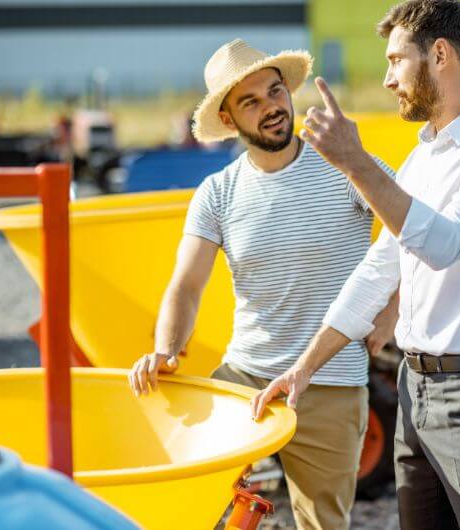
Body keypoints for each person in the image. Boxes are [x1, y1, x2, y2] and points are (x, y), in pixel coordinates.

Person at [253, 1, 460, 528]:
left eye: (395, 60)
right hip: (416, 391)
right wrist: (304, 367)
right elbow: (378, 269)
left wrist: (355, 162)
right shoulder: (424, 157)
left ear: (440, 55)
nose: (388, 79)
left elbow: (444, 243)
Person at [127, 39, 397, 530]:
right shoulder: (217, 192)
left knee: (323, 525)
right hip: (244, 381)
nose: (271, 107)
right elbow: (186, 285)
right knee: (191, 506)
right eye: (250, 102)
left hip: (330, 385)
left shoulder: (346, 166)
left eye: (275, 92)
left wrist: (394, 308)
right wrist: (167, 349)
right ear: (228, 120)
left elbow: (414, 231)